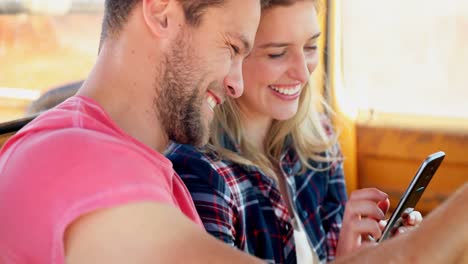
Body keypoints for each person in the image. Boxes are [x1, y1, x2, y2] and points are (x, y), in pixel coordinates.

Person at [0, 0, 264, 263]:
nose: (237, 85)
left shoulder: (150, 170)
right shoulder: (69, 156)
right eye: (232, 48)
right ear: (161, 15)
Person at [166, 0, 422, 263]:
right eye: (277, 54)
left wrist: (376, 253)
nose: (302, 73)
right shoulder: (202, 175)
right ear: (233, 55)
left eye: (310, 47)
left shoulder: (319, 142)